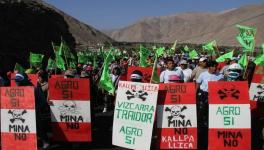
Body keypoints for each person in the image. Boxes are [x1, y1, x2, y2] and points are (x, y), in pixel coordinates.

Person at [196, 60, 223, 150]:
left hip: (214, 95)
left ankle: (210, 126)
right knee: (201, 112)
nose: (215, 68)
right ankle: (201, 128)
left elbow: (222, 86)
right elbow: (198, 84)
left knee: (211, 112)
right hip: (203, 94)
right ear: (209, 67)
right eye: (213, 66)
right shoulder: (203, 74)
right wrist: (194, 95)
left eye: (216, 66)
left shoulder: (220, 76)